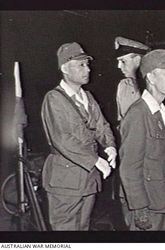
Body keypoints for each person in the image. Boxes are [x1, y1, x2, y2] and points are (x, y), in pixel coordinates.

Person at [41, 42, 117, 231]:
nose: (87, 69)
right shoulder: (54, 99)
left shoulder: (88, 97)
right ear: (65, 68)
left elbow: (103, 126)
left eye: (87, 64)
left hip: (88, 180)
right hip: (65, 181)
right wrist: (96, 160)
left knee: (83, 228)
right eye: (81, 65)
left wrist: (110, 146)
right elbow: (63, 139)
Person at [119, 49, 165, 231]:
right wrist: (139, 208)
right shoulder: (138, 114)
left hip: (164, 200)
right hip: (149, 205)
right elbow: (129, 166)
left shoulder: (161, 111)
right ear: (151, 78)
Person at [115, 36, 165, 130]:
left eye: (123, 61)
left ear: (137, 60)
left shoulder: (159, 85)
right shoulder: (123, 86)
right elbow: (122, 119)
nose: (119, 66)